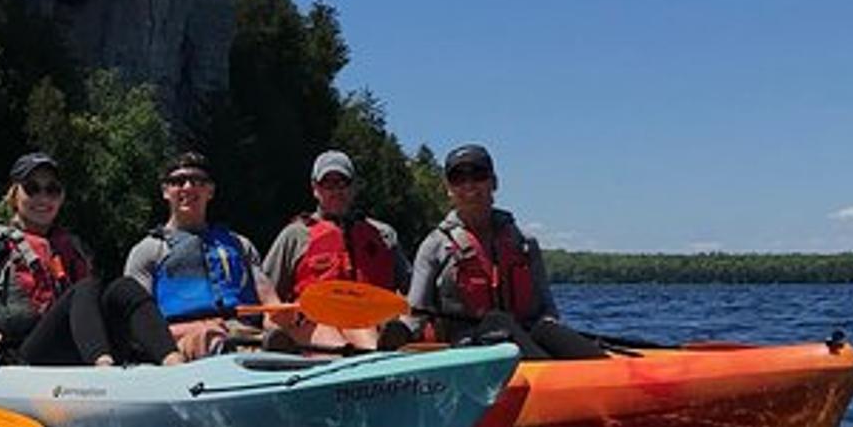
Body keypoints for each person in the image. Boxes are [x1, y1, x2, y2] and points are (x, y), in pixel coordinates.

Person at [0, 153, 183, 367]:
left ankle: (174, 362)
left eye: (52, 189)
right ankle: (104, 370)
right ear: (14, 195)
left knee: (124, 287)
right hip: (27, 357)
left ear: (62, 197)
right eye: (32, 188)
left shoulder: (74, 246)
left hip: (81, 350)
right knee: (85, 288)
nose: (43, 198)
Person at [390, 144, 606, 360]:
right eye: (459, 178)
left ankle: (600, 369)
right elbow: (415, 313)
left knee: (546, 330)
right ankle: (552, 374)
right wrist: (398, 334)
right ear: (448, 189)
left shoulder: (524, 243)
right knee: (496, 322)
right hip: (467, 350)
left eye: (478, 175)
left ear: (494, 182)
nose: (470, 186)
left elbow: (548, 310)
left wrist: (555, 332)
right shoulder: (434, 246)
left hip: (525, 338)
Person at [123, 151, 280, 360]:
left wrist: (279, 325)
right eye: (178, 181)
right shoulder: (148, 251)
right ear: (166, 191)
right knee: (209, 336)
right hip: (182, 337)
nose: (188, 187)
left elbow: (270, 302)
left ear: (210, 191)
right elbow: (139, 320)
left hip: (244, 332)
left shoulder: (240, 245)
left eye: (197, 181)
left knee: (309, 333)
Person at [259, 150, 408, 352]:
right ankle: (358, 361)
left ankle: (379, 357)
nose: (336, 191)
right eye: (327, 184)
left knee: (367, 336)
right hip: (315, 323)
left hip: (369, 320)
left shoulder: (383, 235)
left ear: (354, 187)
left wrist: (408, 321)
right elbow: (268, 287)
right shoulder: (295, 235)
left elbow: (411, 289)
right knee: (336, 342)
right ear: (315, 189)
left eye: (342, 183)